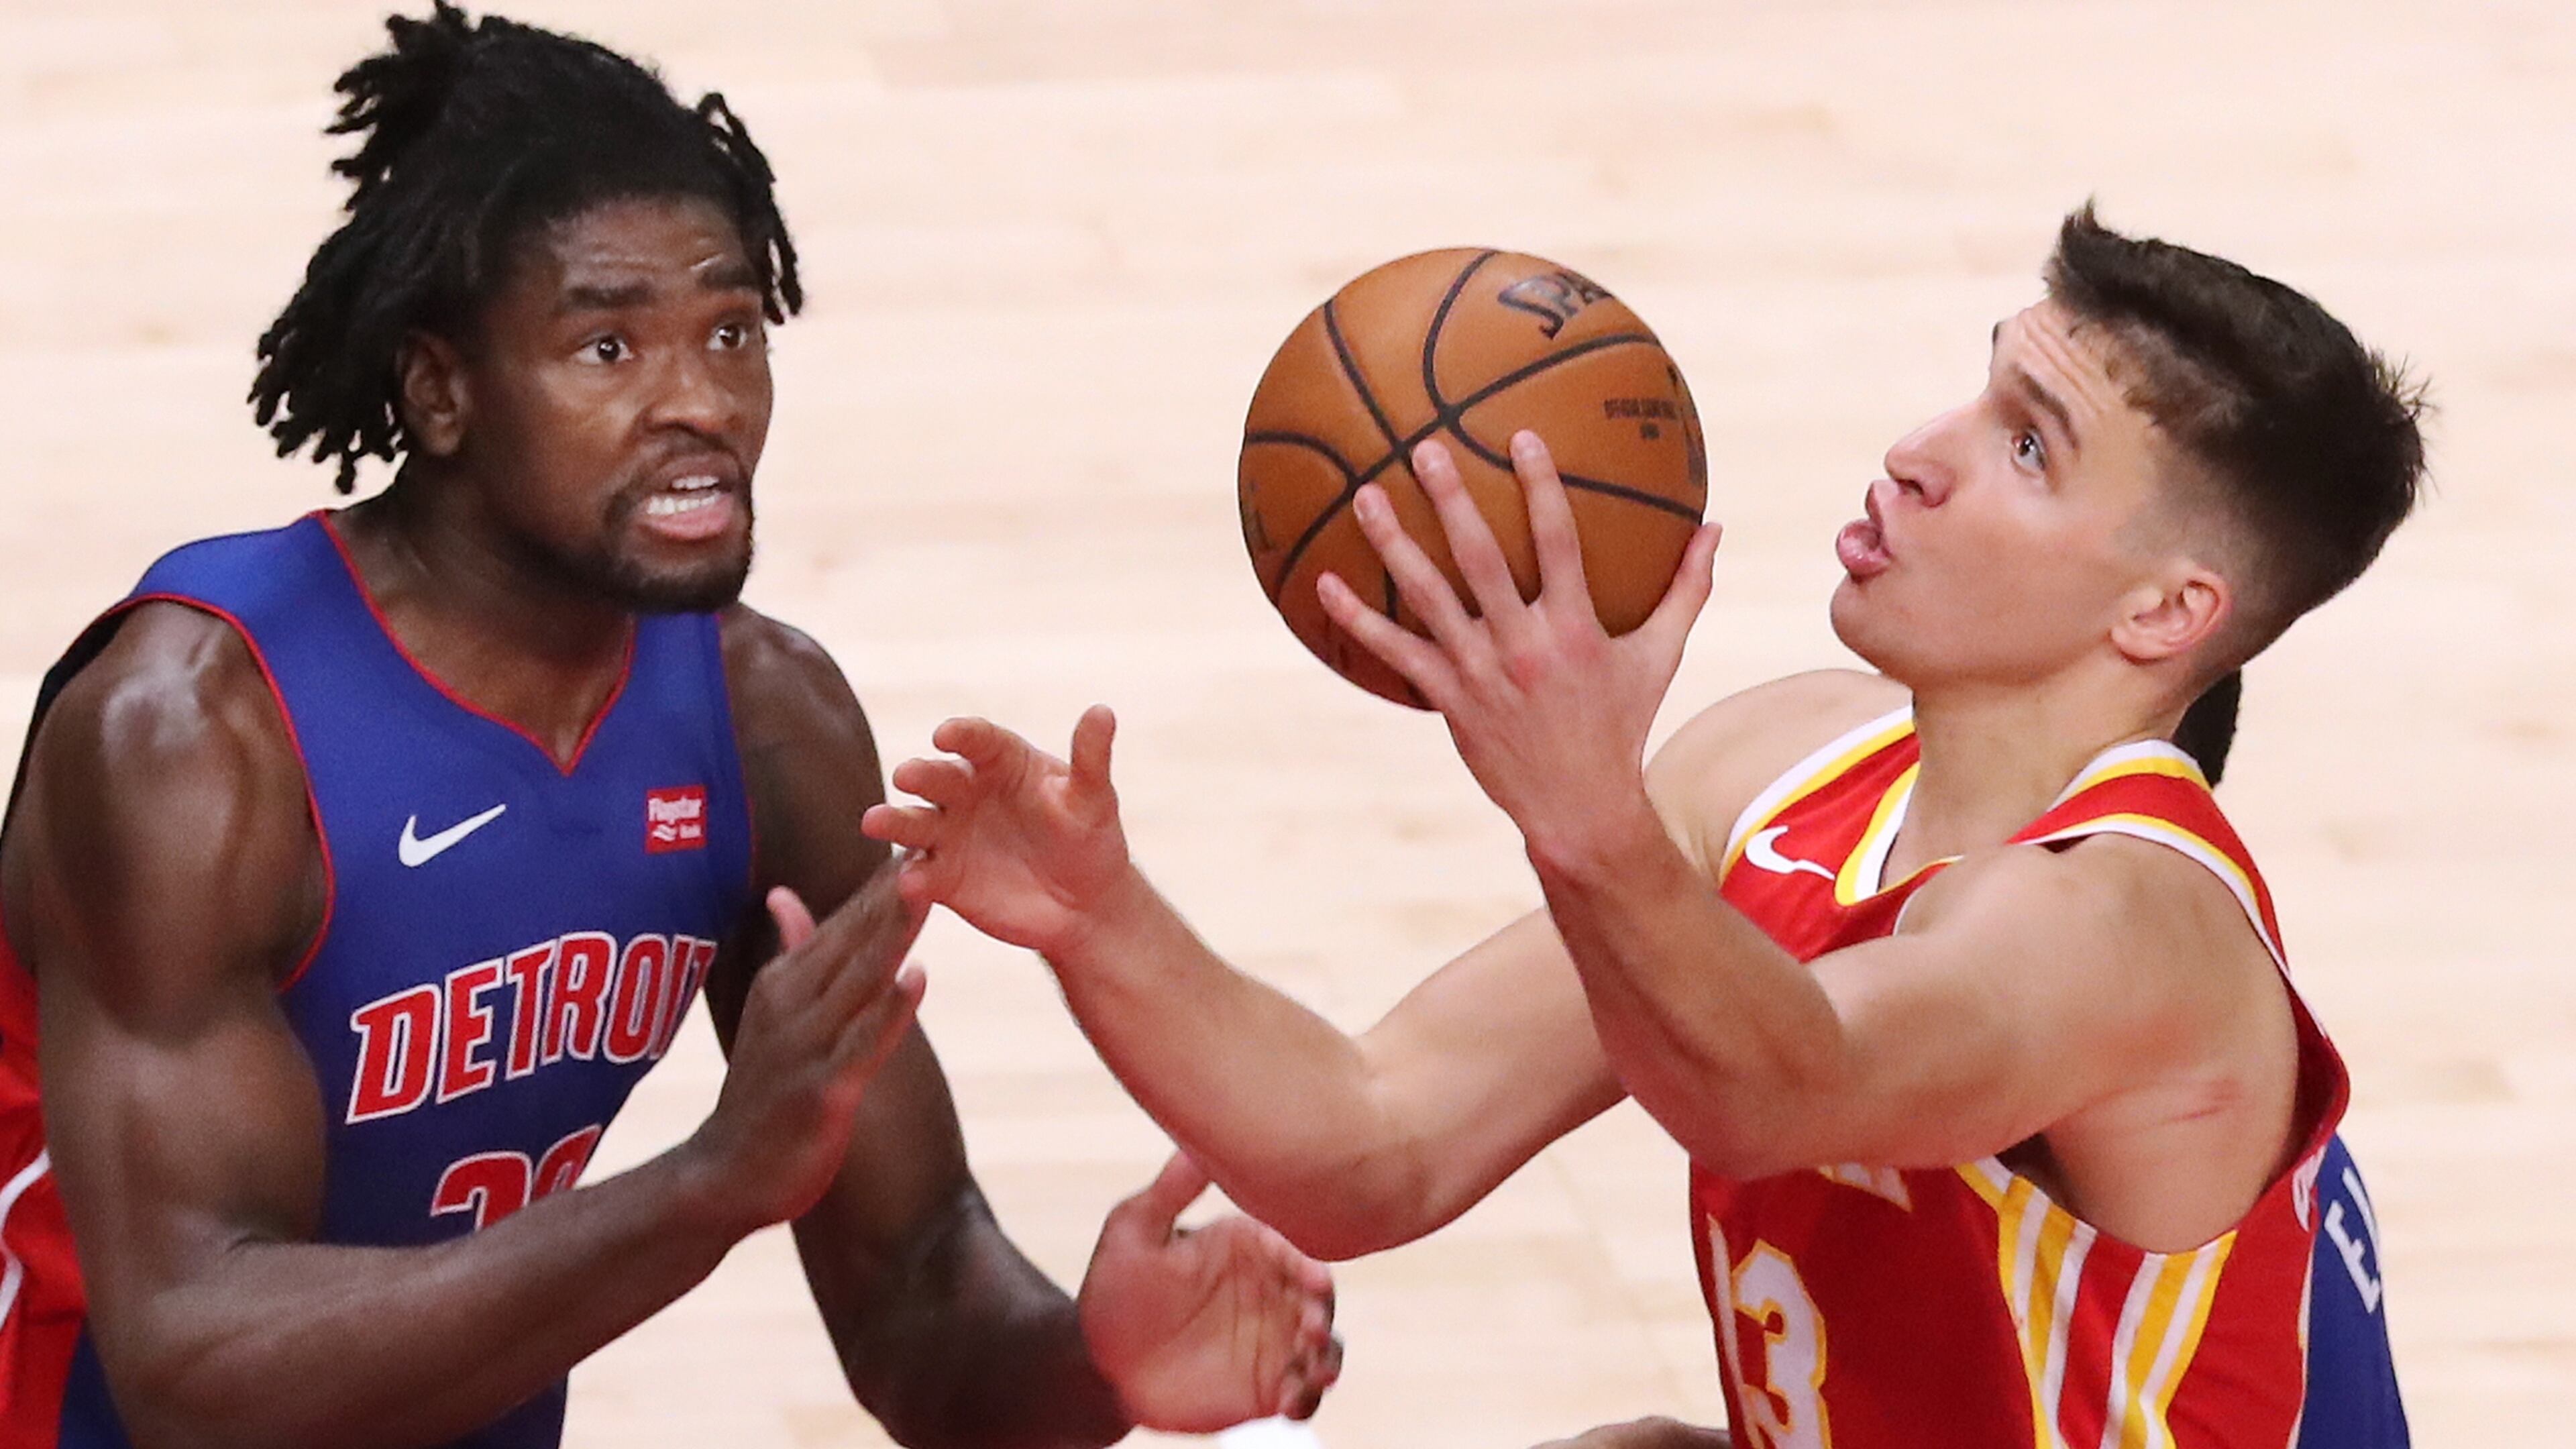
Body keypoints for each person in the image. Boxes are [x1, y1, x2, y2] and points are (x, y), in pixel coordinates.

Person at [865, 208, 2424, 1447]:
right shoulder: (1784, 763)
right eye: (1979, 384)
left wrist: (1584, 813)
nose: (1918, 453)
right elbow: (1375, 1140)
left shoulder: (2127, 925)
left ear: (2168, 611)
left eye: (2027, 444)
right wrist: (1099, 919)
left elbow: (1788, 1085)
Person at [0, 7, 1339, 1447]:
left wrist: (1103, 1365)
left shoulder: (765, 725)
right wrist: (707, 1183)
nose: (697, 401)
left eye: (728, 329)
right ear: (442, 391)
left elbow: (920, 1305)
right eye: (607, 348)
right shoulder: (194, 744)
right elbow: (193, 1376)